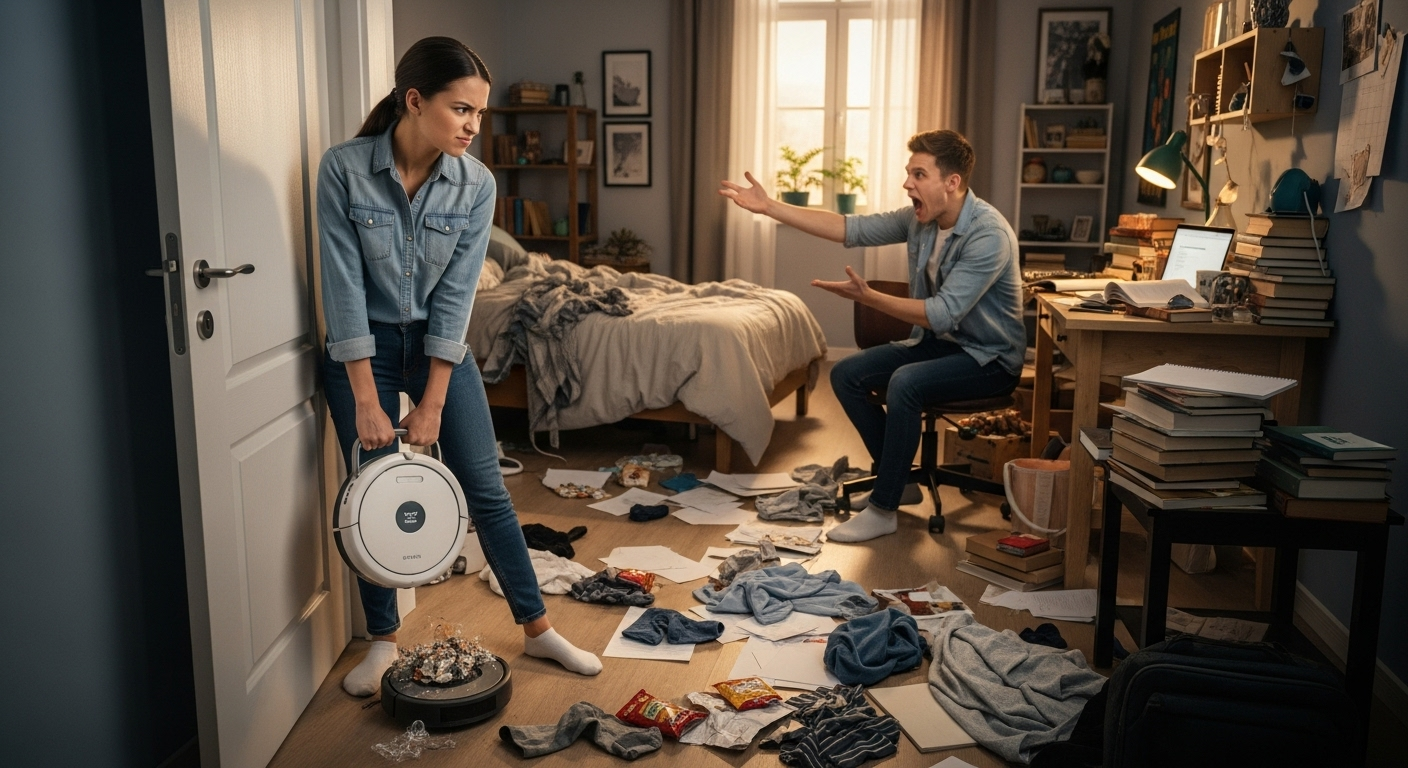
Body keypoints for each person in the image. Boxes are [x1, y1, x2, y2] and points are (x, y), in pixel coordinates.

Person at [318, 37, 600, 696]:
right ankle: (382, 642)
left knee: (487, 490)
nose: (474, 125)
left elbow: (455, 298)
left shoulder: (477, 184)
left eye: (480, 112)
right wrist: (367, 398)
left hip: (438, 349)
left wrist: (434, 401)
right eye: (462, 109)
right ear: (415, 101)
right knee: (371, 491)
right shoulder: (344, 169)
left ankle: (538, 629)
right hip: (364, 350)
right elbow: (342, 286)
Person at [720, 129, 1024, 542]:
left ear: (952, 182)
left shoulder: (988, 235)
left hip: (989, 359)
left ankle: (884, 508)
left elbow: (942, 313)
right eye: (908, 173)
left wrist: (870, 297)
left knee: (905, 382)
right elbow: (850, 228)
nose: (907, 183)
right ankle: (900, 483)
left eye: (919, 174)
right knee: (847, 375)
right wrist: (769, 206)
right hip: (939, 345)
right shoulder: (921, 220)